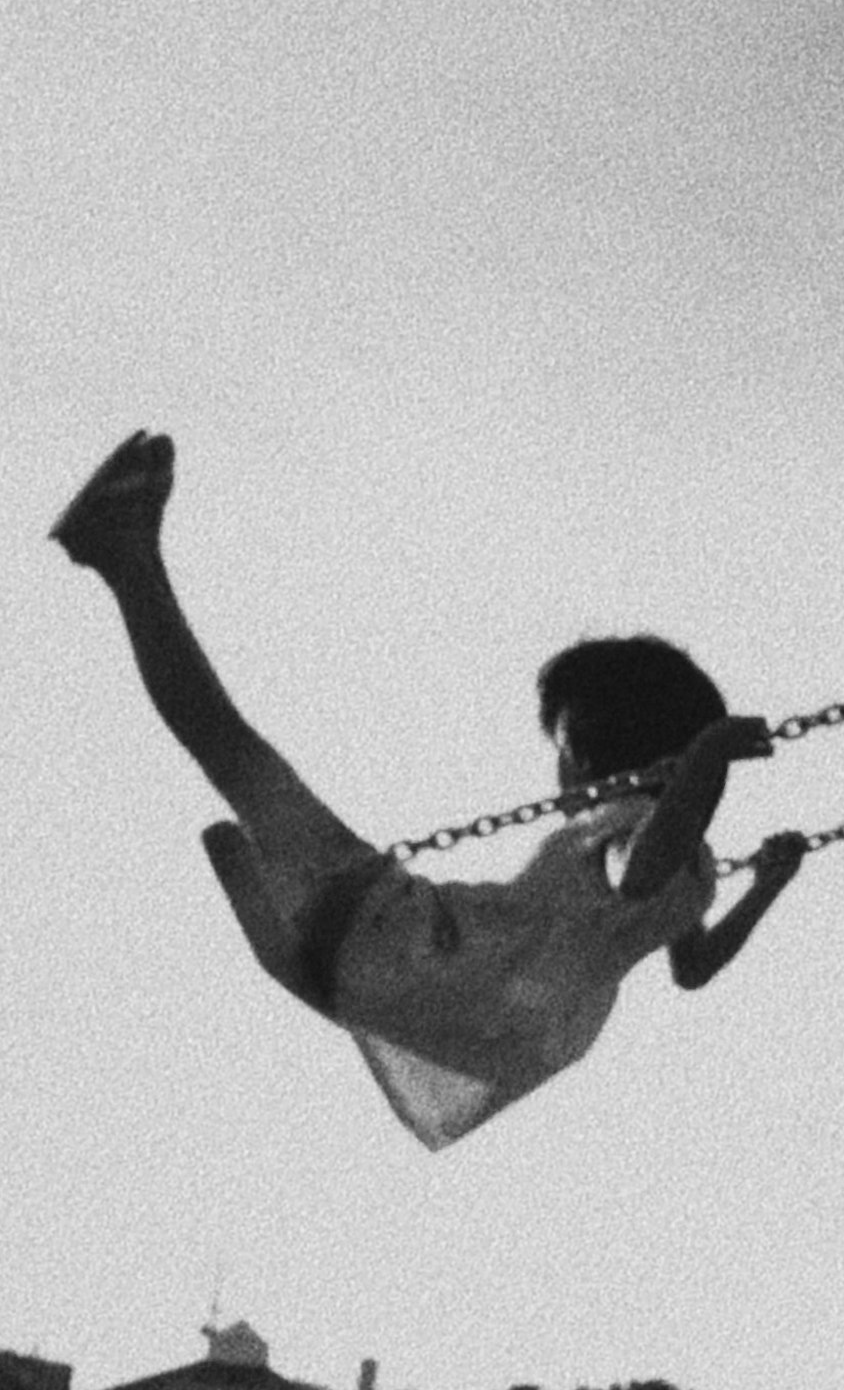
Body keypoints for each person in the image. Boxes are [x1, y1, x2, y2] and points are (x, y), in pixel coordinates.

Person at [54, 431, 805, 1145]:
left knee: (236, 751)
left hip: (423, 954)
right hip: (494, 1027)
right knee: (246, 774)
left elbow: (642, 880)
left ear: (629, 757)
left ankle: (125, 556)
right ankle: (305, 945)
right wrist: (766, 884)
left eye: (571, 751)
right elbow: (693, 965)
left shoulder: (630, 827)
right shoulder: (695, 868)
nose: (563, 776)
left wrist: (708, 759)